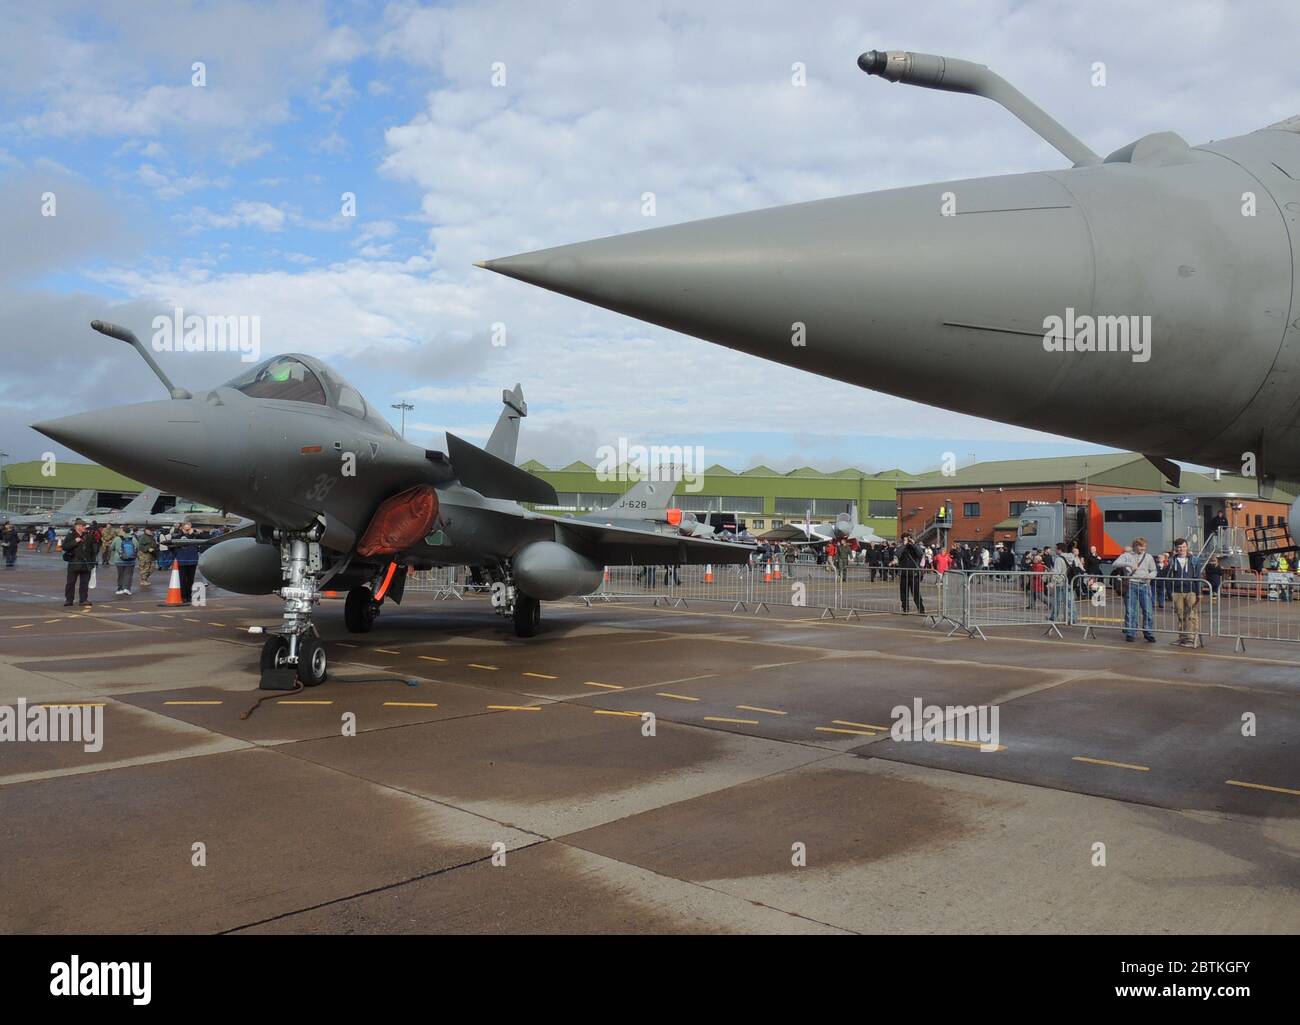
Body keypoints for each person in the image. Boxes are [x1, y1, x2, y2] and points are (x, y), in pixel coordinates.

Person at [1113, 537, 1158, 642]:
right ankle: (1131, 633)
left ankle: (1148, 632)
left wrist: (1150, 576)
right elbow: (1115, 563)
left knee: (1148, 611)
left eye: (1144, 547)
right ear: (1135, 546)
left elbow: (1154, 570)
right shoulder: (1127, 555)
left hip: (1144, 585)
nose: (1143, 549)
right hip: (1131, 585)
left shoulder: (1149, 557)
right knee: (1131, 610)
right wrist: (1129, 564)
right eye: (1140, 547)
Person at [1166, 537, 1204, 646]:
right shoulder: (1172, 560)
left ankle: (1191, 638)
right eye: (1179, 547)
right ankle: (1182, 637)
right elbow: (1168, 576)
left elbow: (1197, 576)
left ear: (1187, 547)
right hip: (1177, 591)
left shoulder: (1194, 560)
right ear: (1176, 548)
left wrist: (1199, 592)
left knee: (1192, 615)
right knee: (1180, 615)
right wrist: (1170, 591)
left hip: (1191, 591)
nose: (1181, 549)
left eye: (1183, 547)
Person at [161, 521, 201, 604]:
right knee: (182, 580)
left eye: (189, 528)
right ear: (182, 528)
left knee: (190, 580)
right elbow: (171, 547)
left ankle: (188, 596)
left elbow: (206, 538)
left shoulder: (195, 536)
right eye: (186, 529)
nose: (188, 530)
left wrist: (195, 533)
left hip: (192, 560)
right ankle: (183, 596)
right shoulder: (177, 536)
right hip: (182, 560)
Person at [62, 518, 96, 607]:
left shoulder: (88, 536)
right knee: (70, 583)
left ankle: (83, 600)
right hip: (74, 563)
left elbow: (93, 550)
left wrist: (93, 562)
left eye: (84, 526)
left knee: (84, 583)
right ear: (77, 526)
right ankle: (69, 600)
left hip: (86, 564)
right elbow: (65, 547)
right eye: (82, 526)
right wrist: (75, 541)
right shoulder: (71, 535)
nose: (84, 527)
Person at [895, 532, 925, 614]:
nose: (906, 540)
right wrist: (904, 545)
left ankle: (921, 609)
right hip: (904, 574)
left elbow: (920, 553)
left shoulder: (915, 547)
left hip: (914, 575)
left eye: (907, 538)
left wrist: (913, 544)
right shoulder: (901, 548)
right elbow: (897, 554)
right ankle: (905, 609)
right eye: (904, 538)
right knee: (904, 593)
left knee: (916, 593)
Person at [112, 526, 138, 596]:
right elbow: (137, 548)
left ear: (123, 531)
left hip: (119, 560)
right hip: (131, 560)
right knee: (128, 575)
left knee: (120, 575)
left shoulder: (117, 538)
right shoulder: (134, 538)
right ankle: (127, 589)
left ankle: (120, 589)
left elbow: (112, 547)